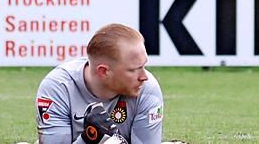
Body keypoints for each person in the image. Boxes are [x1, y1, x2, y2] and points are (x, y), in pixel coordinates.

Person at [35, 23, 164, 144]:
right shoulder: (58, 87)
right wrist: (89, 139)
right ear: (103, 71)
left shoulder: (147, 89)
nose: (144, 76)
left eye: (143, 66)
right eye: (133, 70)